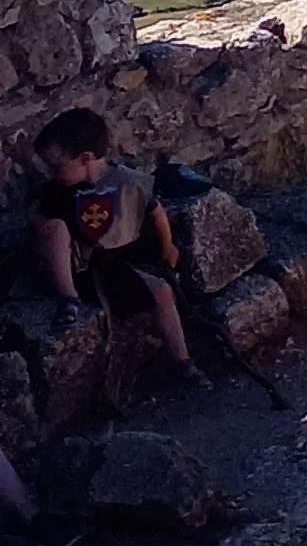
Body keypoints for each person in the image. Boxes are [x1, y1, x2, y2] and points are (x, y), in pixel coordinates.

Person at [17, 106, 204, 390]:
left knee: (162, 291)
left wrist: (169, 247)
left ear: (86, 158)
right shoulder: (57, 191)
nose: (52, 174)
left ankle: (183, 362)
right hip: (71, 266)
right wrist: (38, 223)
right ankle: (69, 298)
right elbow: (38, 217)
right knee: (55, 228)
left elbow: (155, 211)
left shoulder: (126, 184)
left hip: (110, 267)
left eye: (57, 166)